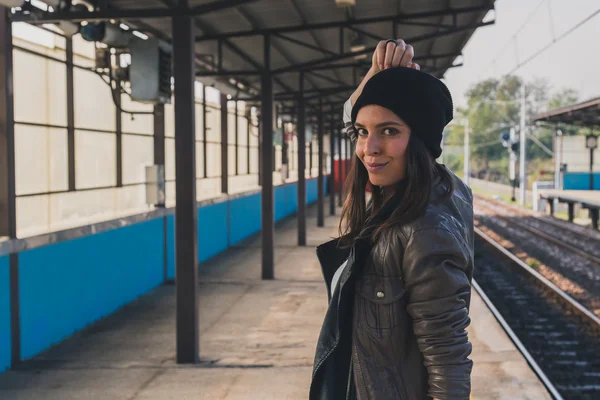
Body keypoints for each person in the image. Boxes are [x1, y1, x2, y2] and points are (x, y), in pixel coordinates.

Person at [309, 39, 474, 400]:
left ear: (420, 140)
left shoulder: (425, 229)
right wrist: (373, 79)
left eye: (389, 131)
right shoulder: (421, 190)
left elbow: (448, 362)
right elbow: (351, 118)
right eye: (363, 132)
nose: (369, 148)